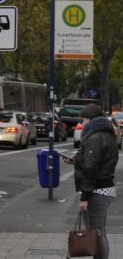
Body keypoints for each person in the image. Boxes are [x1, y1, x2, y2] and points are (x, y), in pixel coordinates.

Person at [62, 104, 118, 259]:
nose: (82, 123)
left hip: (97, 191)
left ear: (92, 120)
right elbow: (94, 162)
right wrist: (76, 160)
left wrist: (85, 197)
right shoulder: (105, 135)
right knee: (98, 231)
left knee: (97, 232)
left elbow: (92, 169)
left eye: (84, 119)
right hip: (102, 189)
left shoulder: (95, 138)